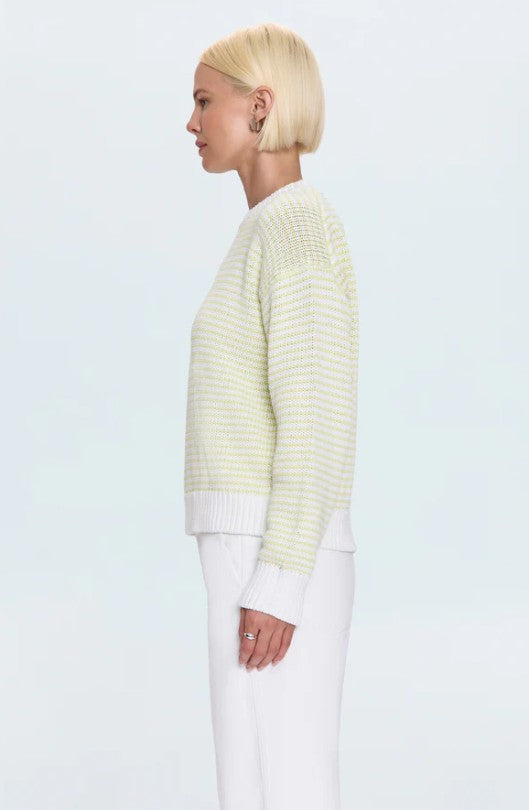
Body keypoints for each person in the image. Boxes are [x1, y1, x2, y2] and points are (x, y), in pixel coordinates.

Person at [184, 22, 360, 810]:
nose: (190, 123)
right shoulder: (267, 229)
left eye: (203, 102)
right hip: (253, 547)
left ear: (259, 106)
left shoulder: (295, 225)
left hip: (272, 550)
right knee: (255, 788)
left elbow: (316, 415)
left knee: (285, 787)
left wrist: (281, 583)